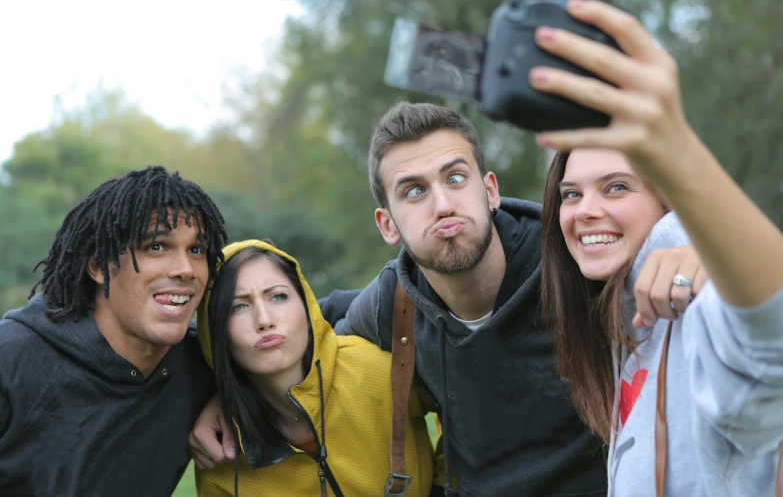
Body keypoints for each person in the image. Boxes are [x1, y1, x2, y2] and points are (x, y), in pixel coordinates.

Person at [189, 100, 706, 496]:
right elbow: (309, 328)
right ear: (387, 223)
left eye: (455, 178)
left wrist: (698, 252)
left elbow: (664, 243)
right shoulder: (395, 304)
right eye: (414, 191)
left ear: (490, 189)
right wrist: (216, 384)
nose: (442, 204)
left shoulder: (576, 262)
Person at [535, 0, 783, 495]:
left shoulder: (696, 305)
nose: (584, 209)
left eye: (617, 187)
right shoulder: (623, 330)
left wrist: (679, 154)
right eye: (571, 193)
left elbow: (772, 339)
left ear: (667, 200)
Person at [0, 166, 228, 497]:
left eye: (196, 250)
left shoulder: (204, 363)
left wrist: (231, 393)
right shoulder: (11, 360)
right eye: (157, 246)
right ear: (99, 267)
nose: (185, 269)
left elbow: (308, 322)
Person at [194, 239, 440, 496]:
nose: (264, 320)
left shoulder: (378, 369)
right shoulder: (219, 455)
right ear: (215, 334)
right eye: (238, 306)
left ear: (307, 306)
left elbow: (460, 405)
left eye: (278, 296)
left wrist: (446, 486)